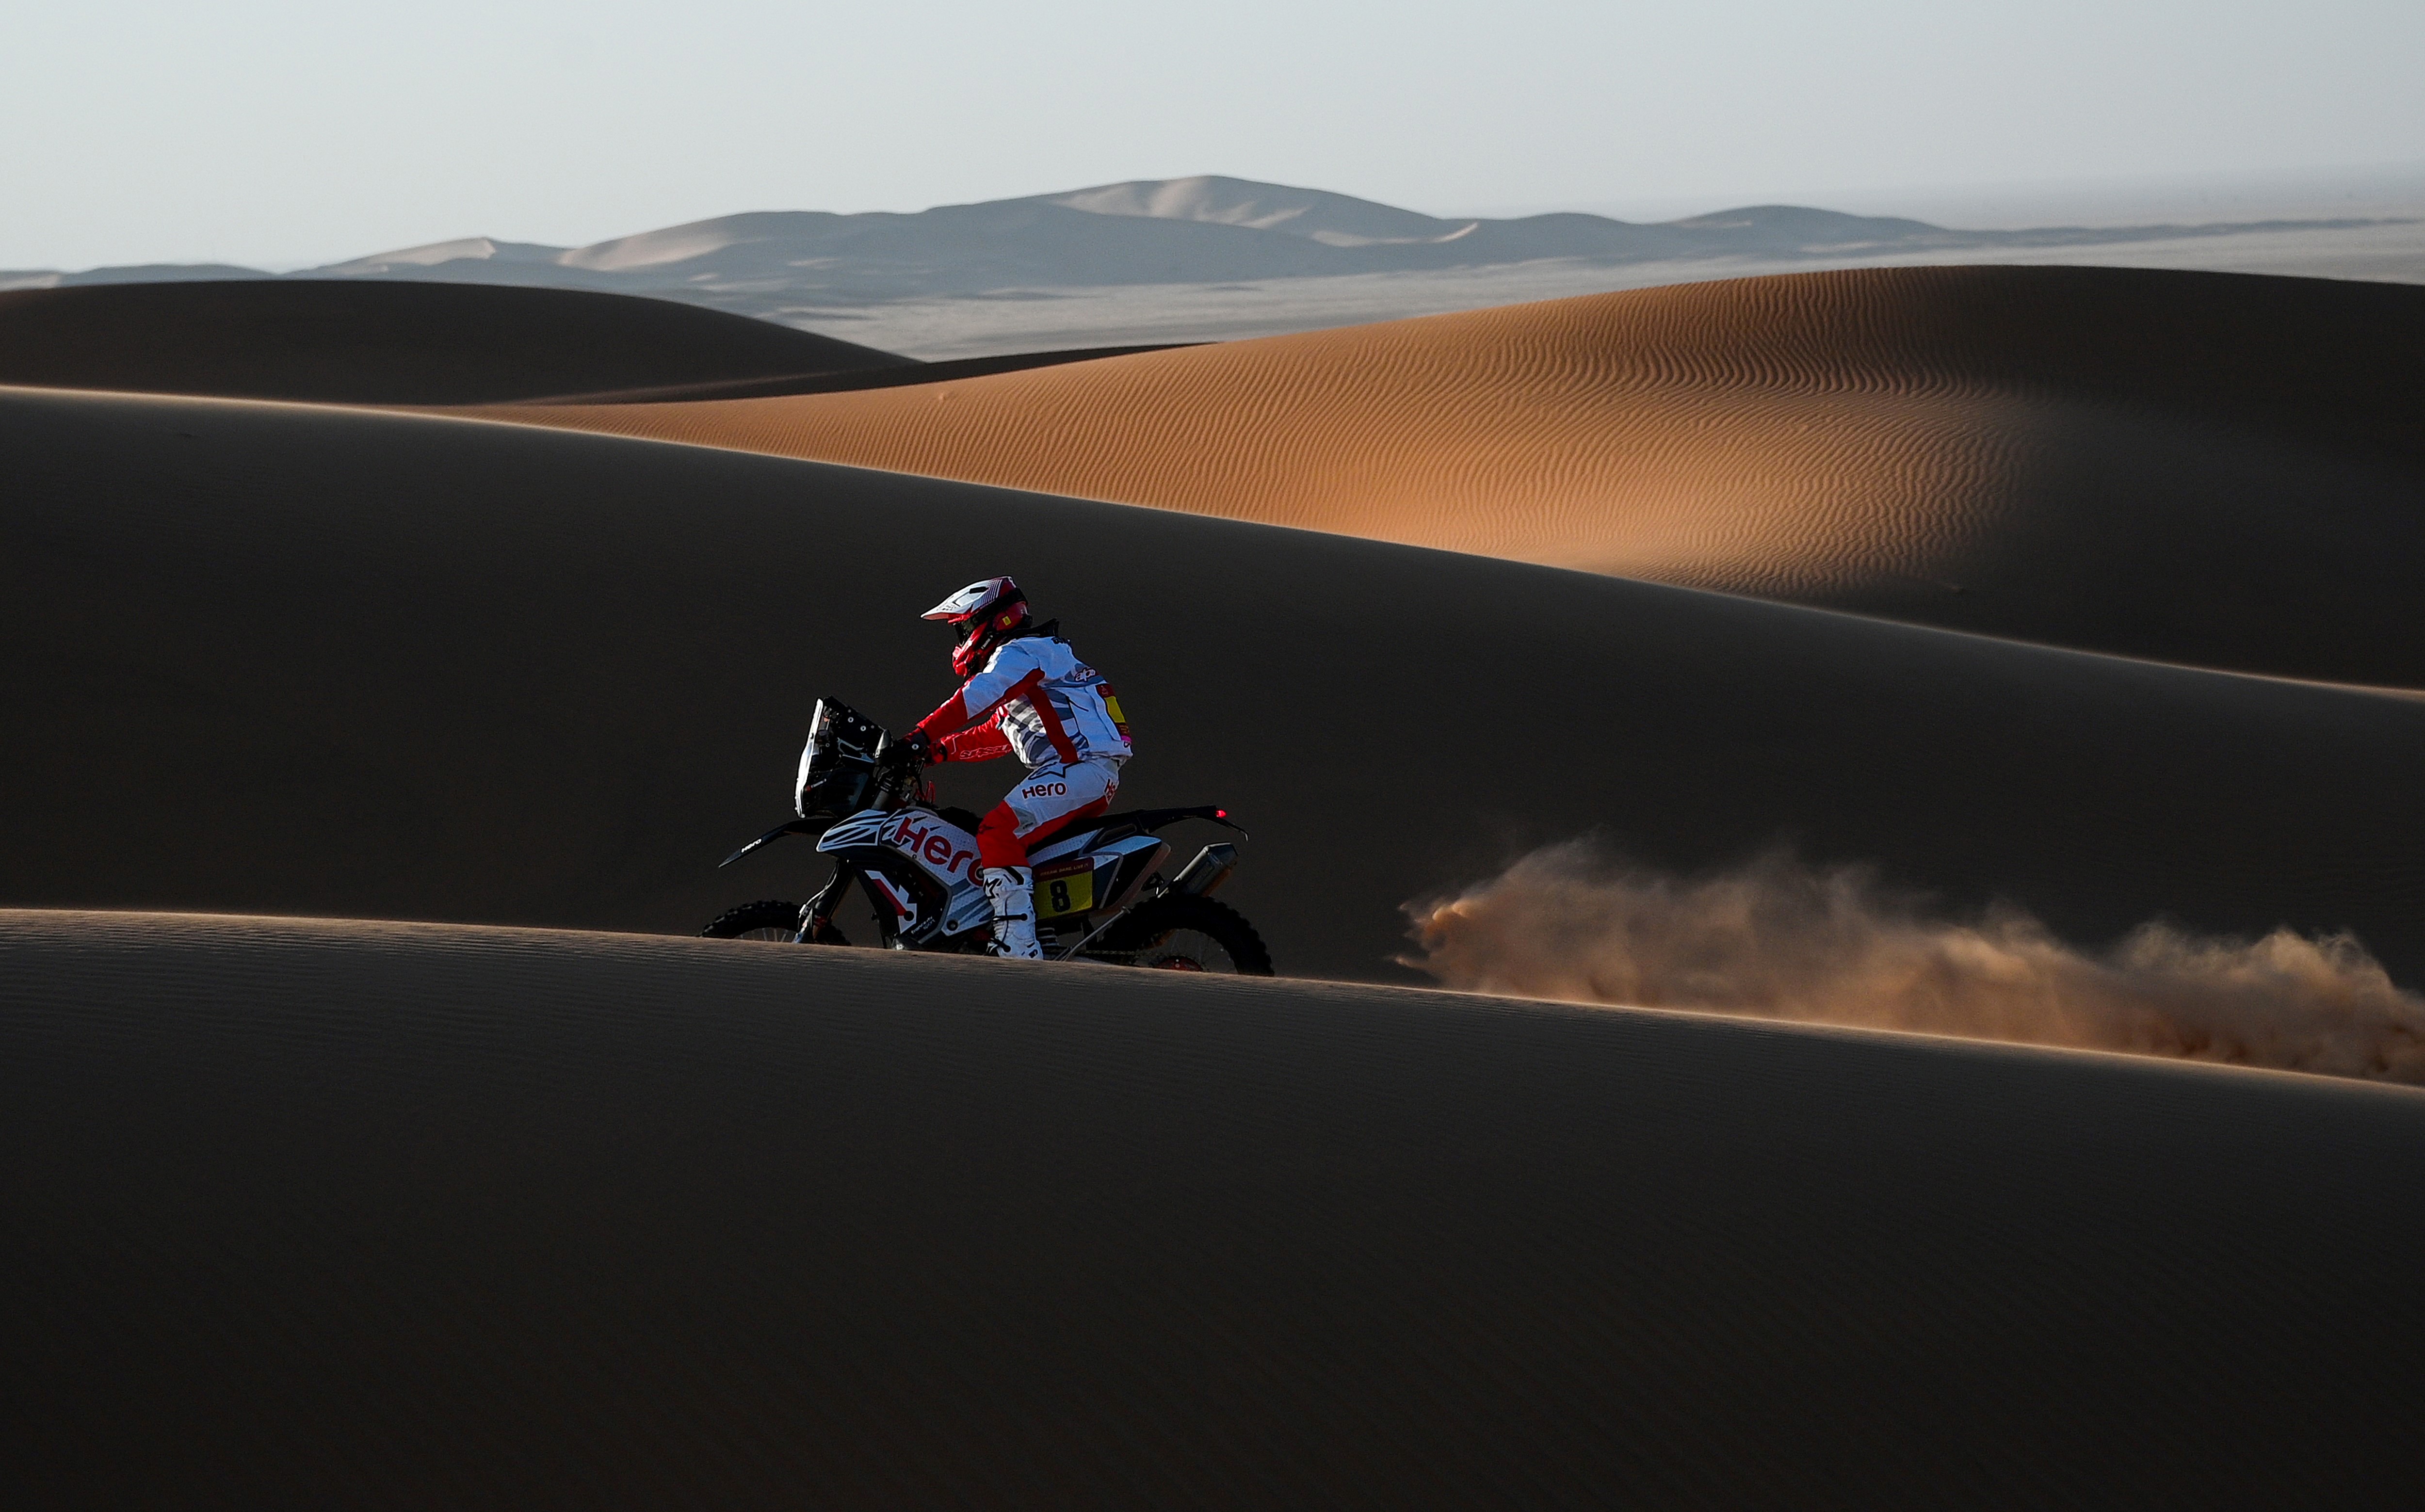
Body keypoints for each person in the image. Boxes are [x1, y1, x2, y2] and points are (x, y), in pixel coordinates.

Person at [901, 577, 1132, 959]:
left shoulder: (1021, 652)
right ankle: (1034, 932)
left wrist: (919, 736)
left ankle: (1017, 944)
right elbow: (1001, 733)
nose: (960, 640)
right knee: (1006, 839)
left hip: (1079, 768)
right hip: (1084, 772)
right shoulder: (1038, 657)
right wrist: (937, 752)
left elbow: (976, 698)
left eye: (963, 628)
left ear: (994, 621)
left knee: (997, 831)